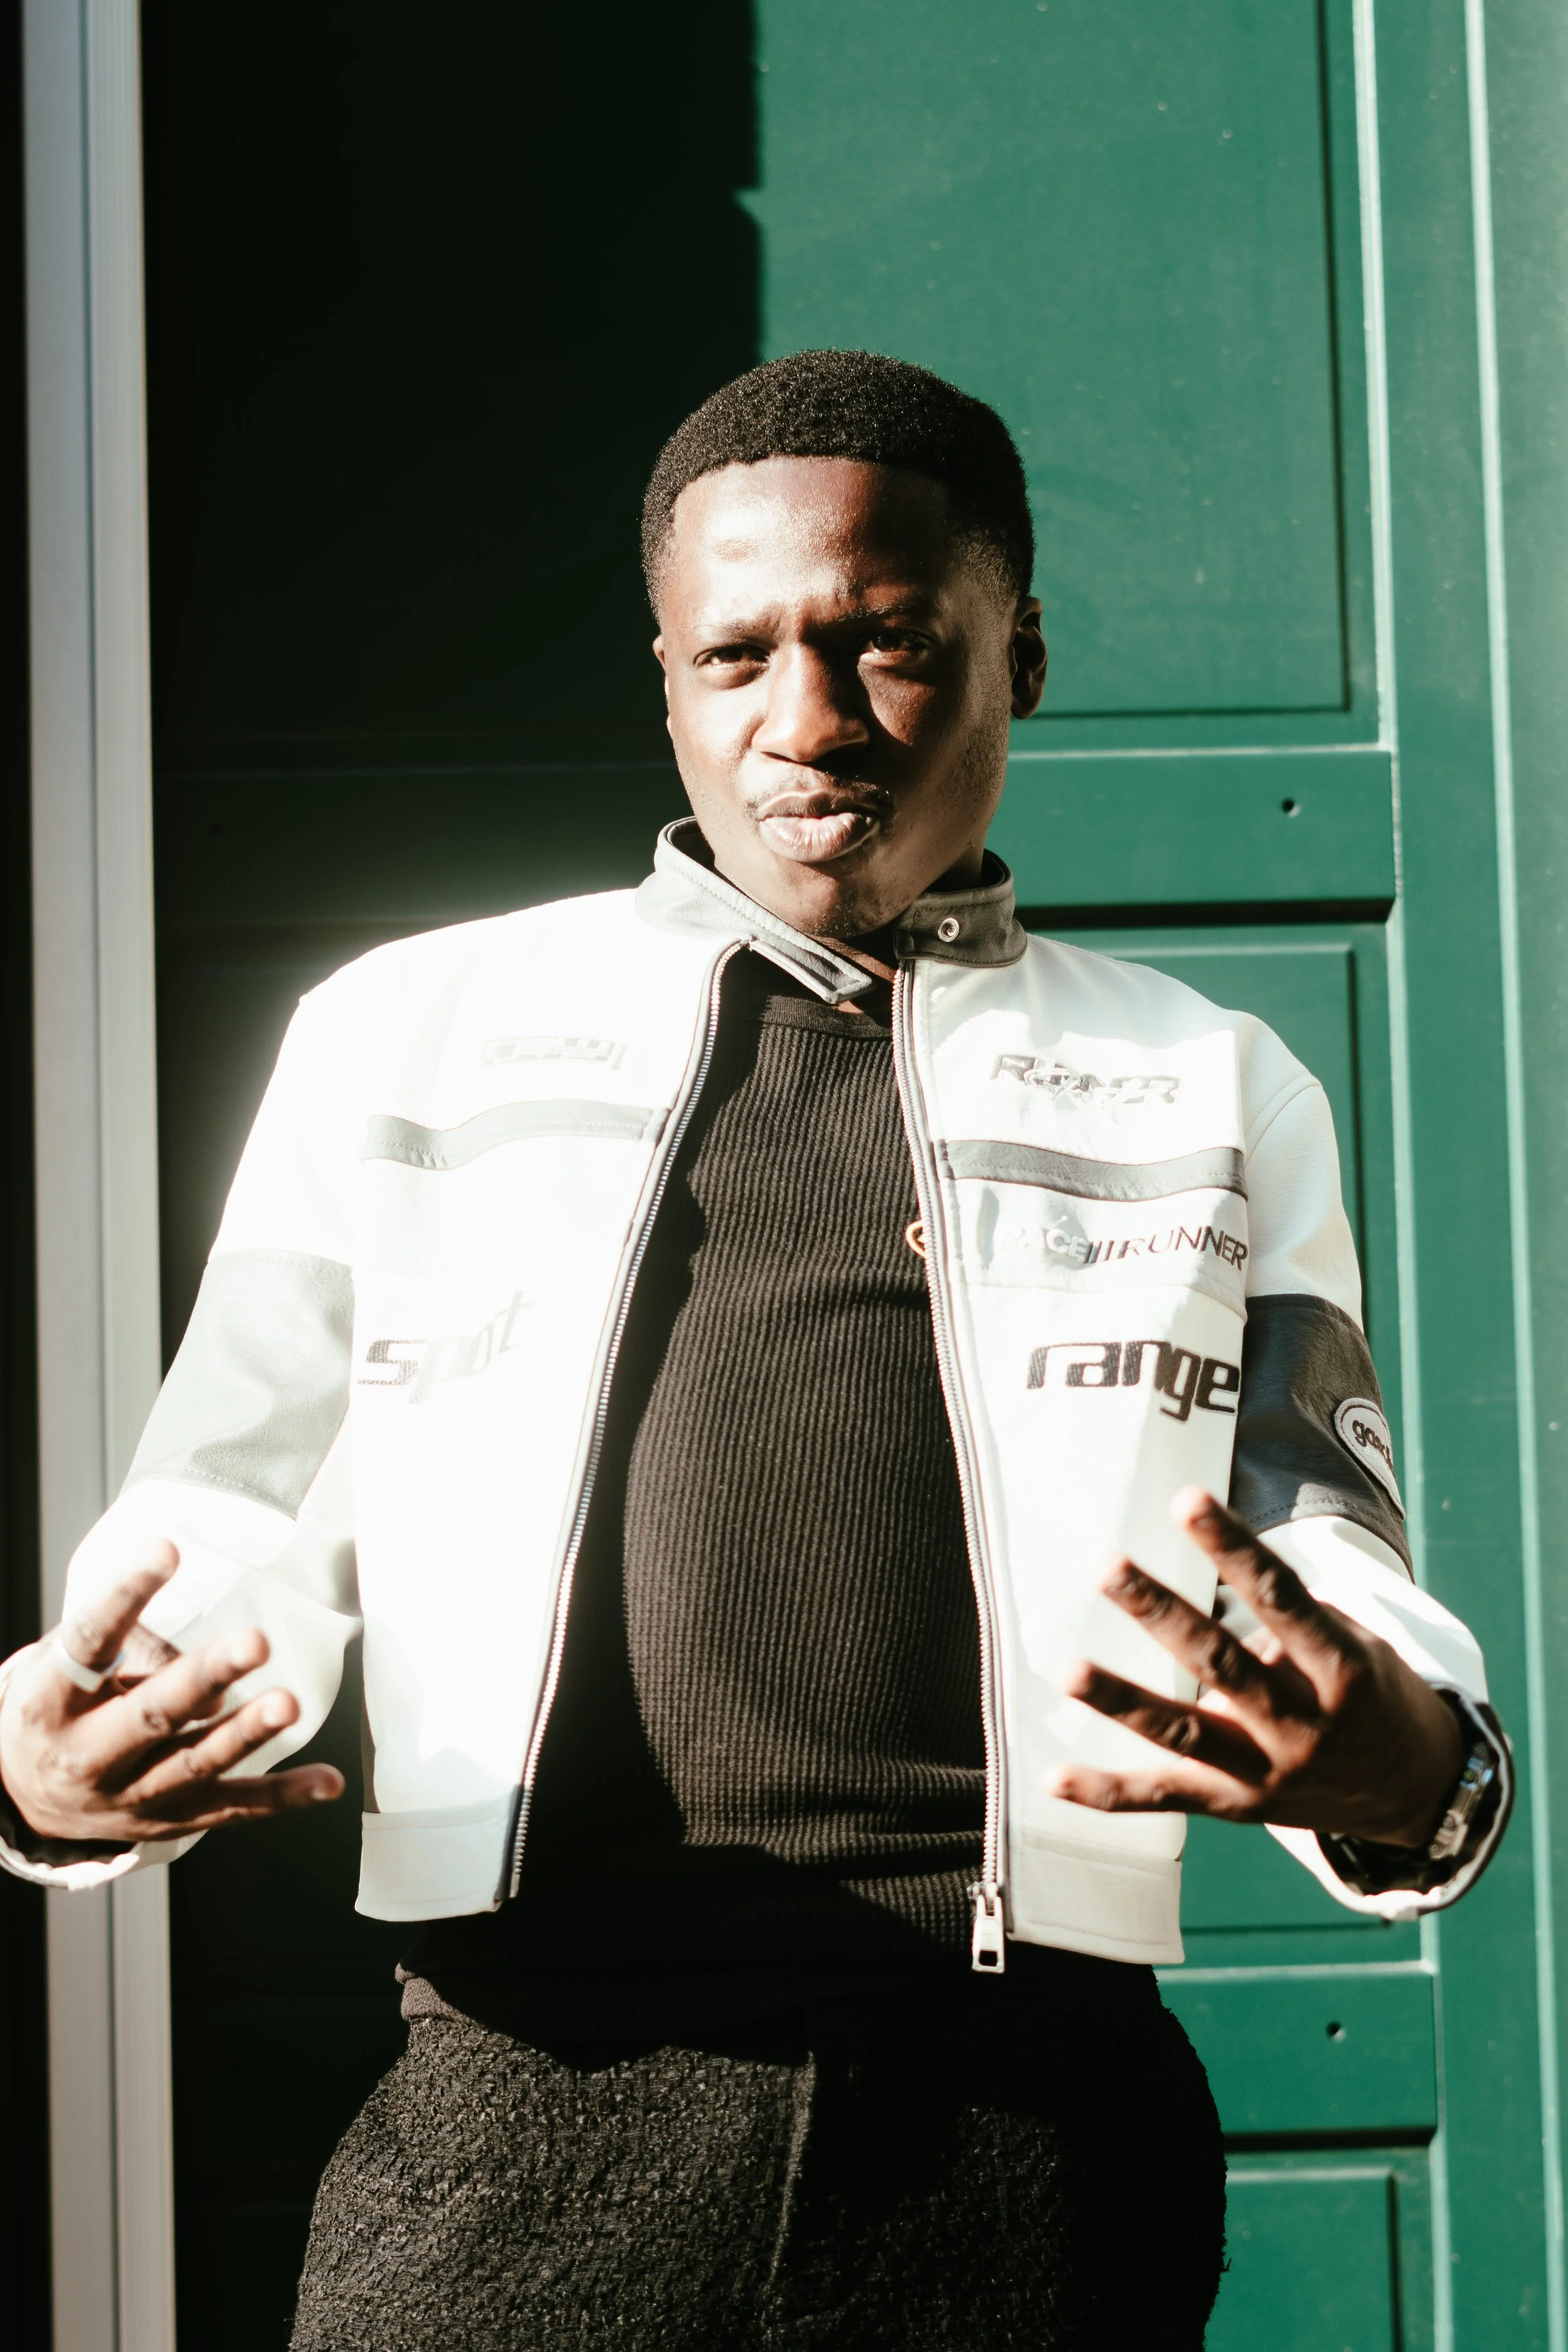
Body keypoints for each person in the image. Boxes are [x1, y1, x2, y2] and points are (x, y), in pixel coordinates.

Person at [0, 351, 1510, 2349]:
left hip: (1035, 2141)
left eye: (888, 643)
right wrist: (58, 1763)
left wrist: (1403, 1758)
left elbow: (1326, 1548)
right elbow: (223, 1506)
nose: (805, 721)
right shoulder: (400, 1037)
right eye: (734, 657)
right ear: (666, 681)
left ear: (1017, 655)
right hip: (517, 2121)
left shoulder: (1209, 1080)